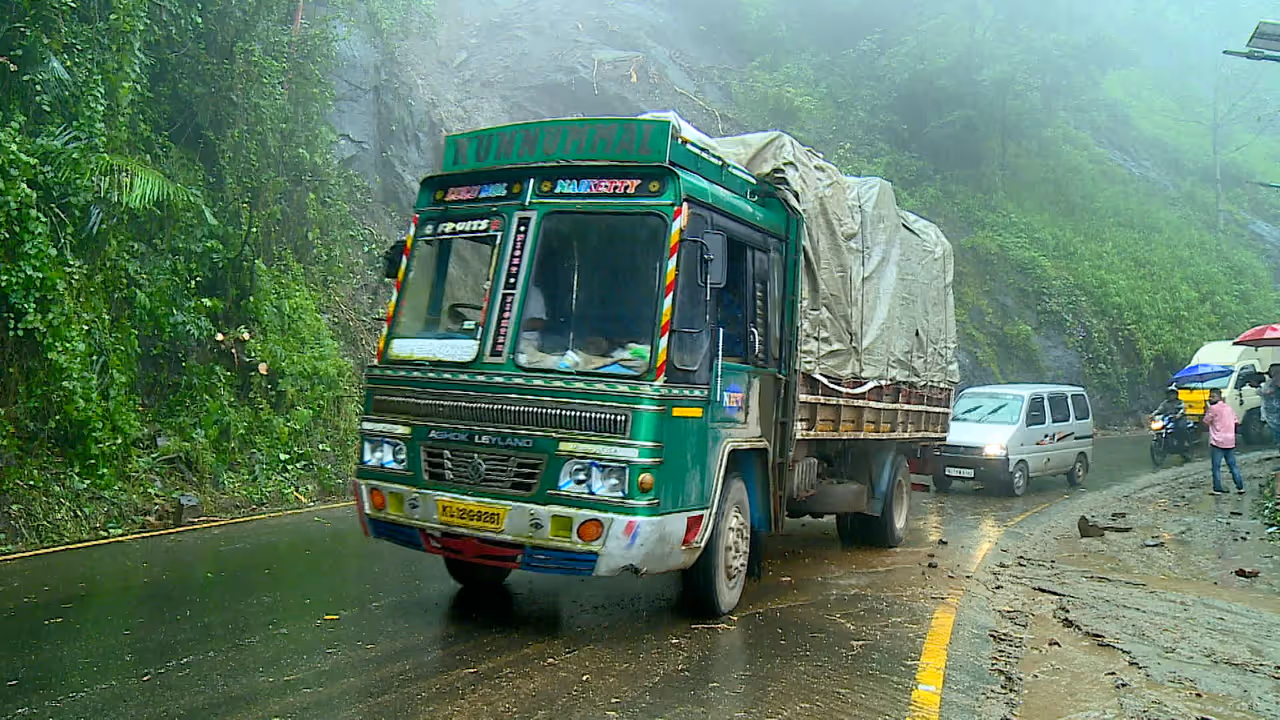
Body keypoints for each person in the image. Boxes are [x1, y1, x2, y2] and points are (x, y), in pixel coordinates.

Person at [1203, 388, 1246, 495]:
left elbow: (1205, 422)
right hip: (1230, 440)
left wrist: (1206, 410)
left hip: (1217, 441)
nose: (1210, 398)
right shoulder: (1229, 408)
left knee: (1216, 467)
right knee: (1233, 466)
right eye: (1210, 396)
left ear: (1219, 397)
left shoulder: (1213, 409)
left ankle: (1217, 488)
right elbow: (1235, 421)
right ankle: (1240, 487)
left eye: (1213, 396)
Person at [1152, 386, 1188, 451]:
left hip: (1179, 419)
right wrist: (1153, 414)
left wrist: (1178, 415)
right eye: (1169, 394)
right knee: (1161, 427)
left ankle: (1182, 443)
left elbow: (1183, 409)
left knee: (1180, 428)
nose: (1171, 395)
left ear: (1176, 394)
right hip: (1168, 419)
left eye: (1172, 394)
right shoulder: (1165, 403)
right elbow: (1159, 410)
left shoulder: (1180, 402)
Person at [1258, 363, 1280, 454]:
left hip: (1275, 415)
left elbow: (1265, 392)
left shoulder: (1273, 383)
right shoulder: (1272, 382)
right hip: (1273, 415)